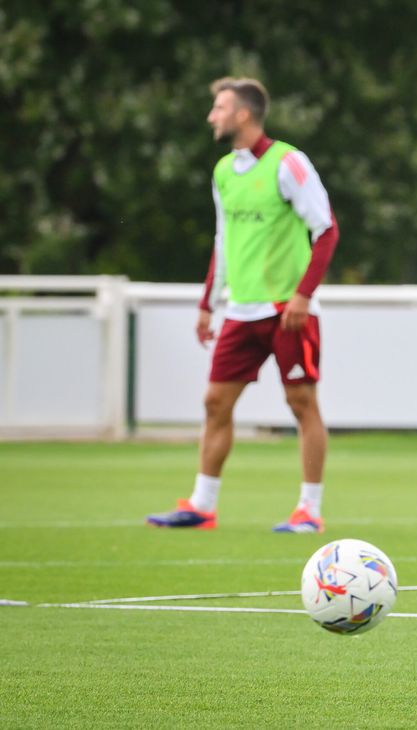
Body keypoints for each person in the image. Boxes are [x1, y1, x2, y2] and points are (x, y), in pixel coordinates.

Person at [146, 77, 339, 533]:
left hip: (287, 310)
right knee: (215, 402)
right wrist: (207, 304)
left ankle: (308, 510)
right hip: (240, 311)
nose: (212, 116)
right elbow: (223, 242)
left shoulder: (287, 164)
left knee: (301, 403)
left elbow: (326, 229)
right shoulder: (221, 172)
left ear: (243, 114)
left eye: (219, 108)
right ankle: (201, 505)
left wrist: (303, 295)